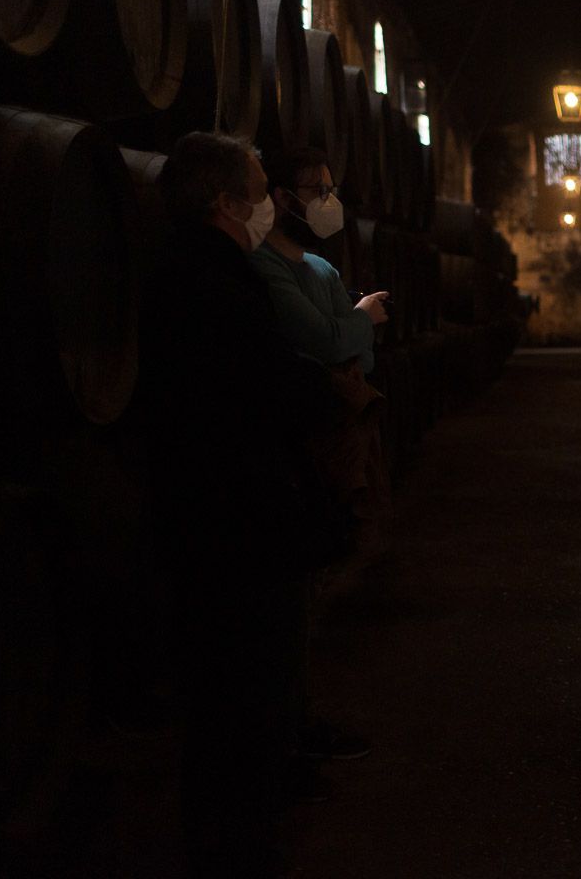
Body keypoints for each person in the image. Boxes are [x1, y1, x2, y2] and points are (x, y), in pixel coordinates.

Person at [139, 132, 337, 876]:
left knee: (230, 701)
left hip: (216, 522)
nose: (267, 203)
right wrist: (315, 389)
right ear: (224, 201)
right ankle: (237, 849)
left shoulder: (190, 267)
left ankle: (234, 833)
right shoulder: (213, 276)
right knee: (238, 698)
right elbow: (264, 387)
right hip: (234, 528)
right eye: (256, 189)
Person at [251, 146, 386, 773]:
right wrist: (357, 324)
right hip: (292, 442)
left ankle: (297, 719)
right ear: (281, 197)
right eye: (316, 188)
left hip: (332, 438)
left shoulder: (322, 270)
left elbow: (357, 362)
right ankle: (283, 731)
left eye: (331, 188)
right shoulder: (263, 270)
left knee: (315, 581)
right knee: (286, 601)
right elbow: (332, 342)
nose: (327, 201)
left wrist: (347, 339)